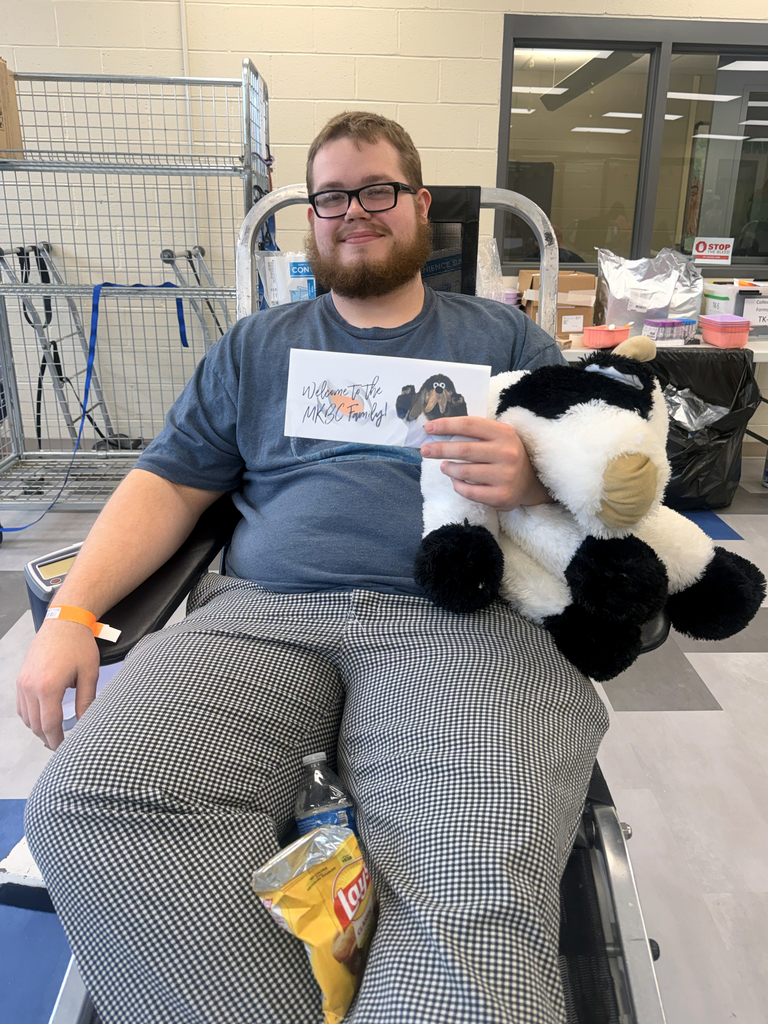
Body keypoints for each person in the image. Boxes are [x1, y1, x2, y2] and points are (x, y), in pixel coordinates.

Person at [18, 112, 609, 1024]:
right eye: (331, 195)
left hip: (454, 623)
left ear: (420, 206)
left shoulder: (506, 341)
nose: (353, 212)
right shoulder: (256, 348)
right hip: (259, 615)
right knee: (91, 802)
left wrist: (534, 476)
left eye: (377, 191)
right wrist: (73, 615)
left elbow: (600, 484)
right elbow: (168, 483)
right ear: (313, 218)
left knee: (474, 873)